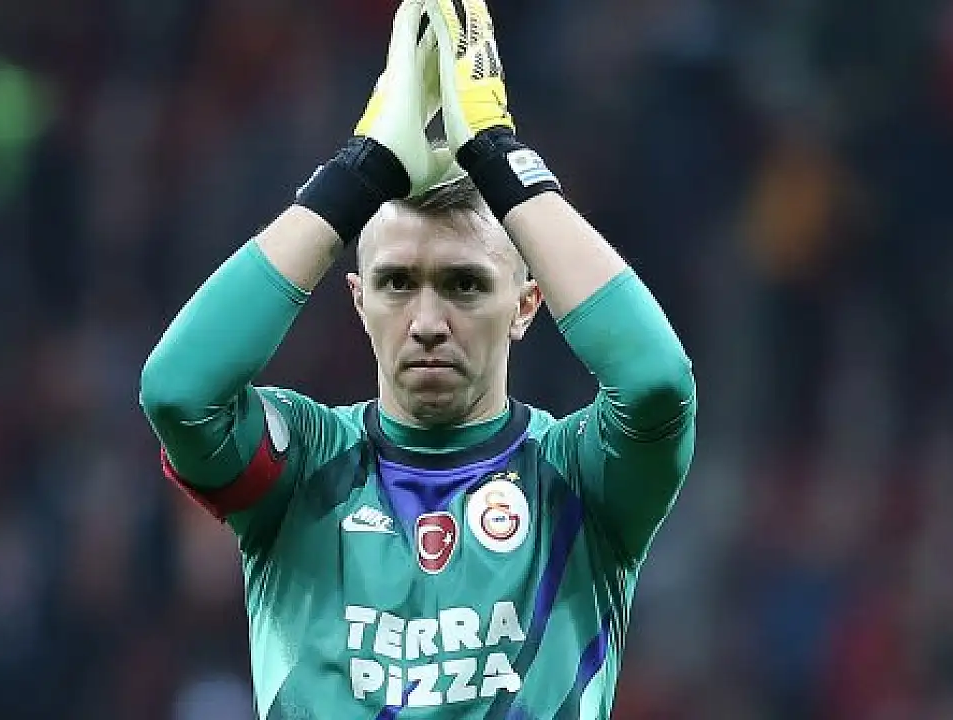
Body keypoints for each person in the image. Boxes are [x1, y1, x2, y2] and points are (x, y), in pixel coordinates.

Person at [139, 0, 697, 717]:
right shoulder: (304, 466)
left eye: (465, 285)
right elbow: (178, 393)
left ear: (527, 304)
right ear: (359, 300)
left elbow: (656, 383)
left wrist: (499, 156)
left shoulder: (580, 481)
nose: (428, 322)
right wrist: (357, 173)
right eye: (398, 283)